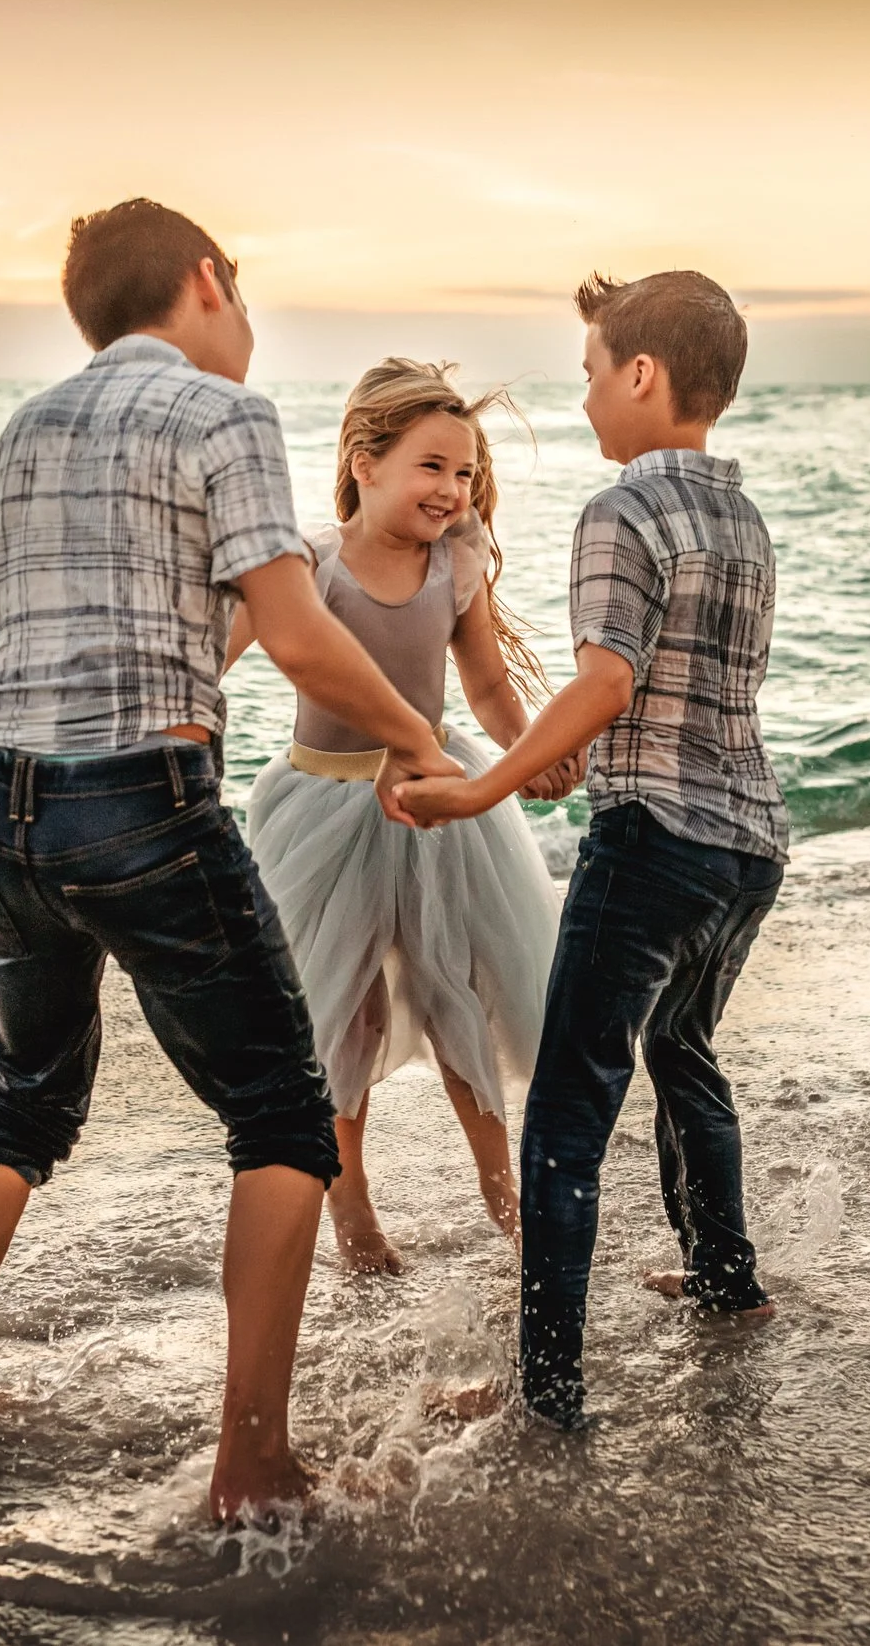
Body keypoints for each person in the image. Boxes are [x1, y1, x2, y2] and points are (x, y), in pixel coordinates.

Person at [0, 199, 462, 1523]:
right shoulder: (220, 412)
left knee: (25, 1093)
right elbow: (301, 633)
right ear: (204, 281)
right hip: (139, 797)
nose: (244, 321)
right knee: (284, 1113)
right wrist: (418, 737)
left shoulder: (31, 426)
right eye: (239, 293)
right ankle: (250, 1462)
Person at [398, 271, 788, 1430]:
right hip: (748, 844)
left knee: (568, 1107)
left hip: (654, 838)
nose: (580, 403)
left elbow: (607, 680)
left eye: (586, 374)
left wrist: (482, 787)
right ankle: (727, 1283)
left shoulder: (621, 510)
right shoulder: (743, 518)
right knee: (684, 1051)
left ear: (641, 374)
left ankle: (546, 1391)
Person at [225, 359, 577, 1275]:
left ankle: (513, 1207)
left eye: (464, 474)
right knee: (341, 1014)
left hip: (433, 801)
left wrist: (528, 753)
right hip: (322, 807)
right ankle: (354, 1212)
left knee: (459, 991)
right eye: (432, 466)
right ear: (363, 460)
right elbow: (219, 656)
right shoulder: (310, 564)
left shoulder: (454, 566)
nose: (453, 490)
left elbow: (490, 685)